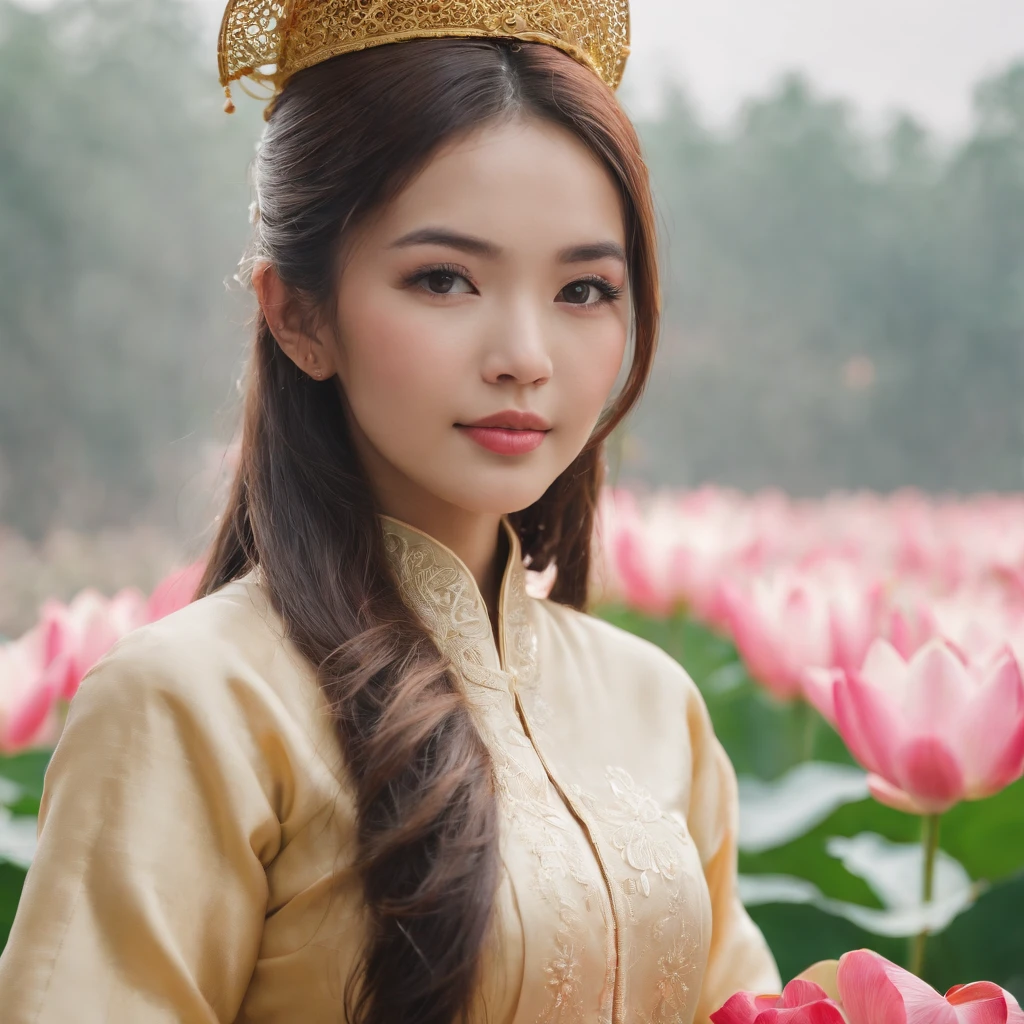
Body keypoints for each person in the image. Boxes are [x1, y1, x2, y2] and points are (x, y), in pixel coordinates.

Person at [0, 2, 780, 1021]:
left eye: (584, 290)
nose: (525, 355)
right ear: (297, 313)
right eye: (444, 279)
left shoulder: (654, 706)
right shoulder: (188, 706)